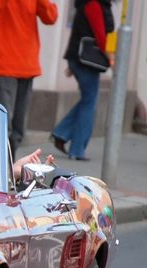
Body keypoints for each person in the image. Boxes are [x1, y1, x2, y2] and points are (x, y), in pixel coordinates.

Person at [0, 0, 59, 159]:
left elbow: (51, 17)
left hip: (27, 65)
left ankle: (9, 172)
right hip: (4, 65)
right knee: (1, 128)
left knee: (18, 131)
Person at [51, 0, 115, 161]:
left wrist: (73, 61)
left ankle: (61, 133)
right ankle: (77, 149)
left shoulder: (91, 3)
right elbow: (99, 34)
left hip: (83, 59)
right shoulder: (93, 3)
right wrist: (110, 57)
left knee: (88, 100)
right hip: (85, 60)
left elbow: (80, 30)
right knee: (90, 102)